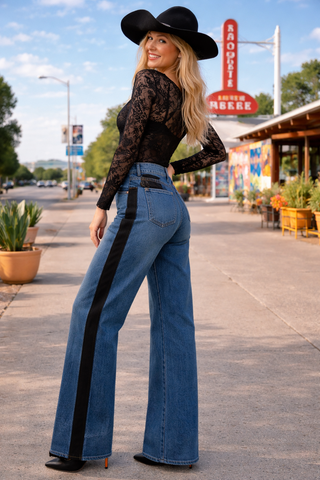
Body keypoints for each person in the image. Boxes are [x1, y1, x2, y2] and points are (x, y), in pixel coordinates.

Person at [45, 6, 226, 473]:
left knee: (92, 313)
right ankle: (172, 447)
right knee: (174, 326)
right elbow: (216, 151)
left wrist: (103, 203)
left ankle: (80, 446)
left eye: (162, 41)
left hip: (141, 199)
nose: (150, 45)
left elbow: (126, 149)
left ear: (178, 51)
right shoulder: (186, 95)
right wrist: (174, 168)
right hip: (171, 208)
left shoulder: (148, 85)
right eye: (148, 39)